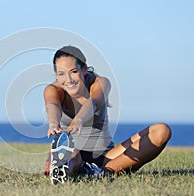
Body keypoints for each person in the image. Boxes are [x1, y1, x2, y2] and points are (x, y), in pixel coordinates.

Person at [43, 45, 172, 181]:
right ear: (56, 75)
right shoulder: (53, 89)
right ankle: (65, 169)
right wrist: (53, 123)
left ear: (84, 69)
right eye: (61, 74)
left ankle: (101, 172)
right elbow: (52, 105)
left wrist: (79, 119)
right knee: (72, 155)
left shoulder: (100, 83)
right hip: (74, 151)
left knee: (162, 131)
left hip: (108, 156)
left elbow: (94, 102)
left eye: (73, 71)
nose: (68, 79)